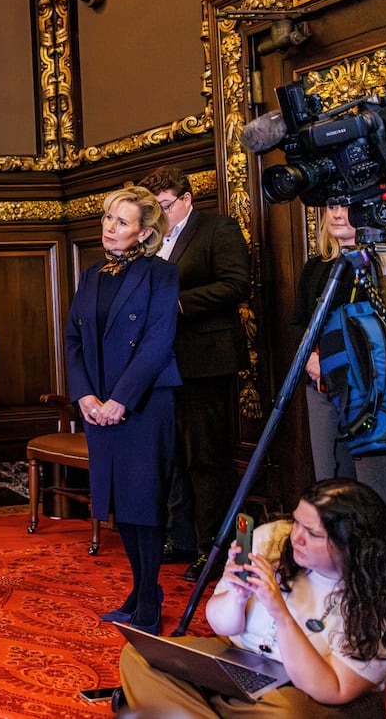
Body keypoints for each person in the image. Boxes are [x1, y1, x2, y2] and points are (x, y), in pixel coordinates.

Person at [119, 478, 386, 718]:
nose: (296, 537)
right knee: (142, 656)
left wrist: (281, 614)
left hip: (304, 694)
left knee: (287, 713)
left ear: (353, 545)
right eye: (297, 521)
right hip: (238, 664)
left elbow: (334, 691)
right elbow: (222, 626)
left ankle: (183, 712)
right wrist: (237, 596)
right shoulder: (272, 539)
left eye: (313, 533)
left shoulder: (379, 600)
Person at [65, 186, 181, 634]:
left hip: (144, 403)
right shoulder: (93, 274)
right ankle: (142, 591)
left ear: (144, 232)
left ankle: (148, 599)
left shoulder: (161, 275)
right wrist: (85, 396)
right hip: (99, 406)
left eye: (120, 222)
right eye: (107, 218)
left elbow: (157, 342)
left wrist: (121, 400)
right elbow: (74, 339)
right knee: (122, 505)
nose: (109, 228)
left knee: (145, 502)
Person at [139, 166, 251, 581]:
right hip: (162, 365)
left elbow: (237, 284)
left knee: (207, 458)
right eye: (152, 208)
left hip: (205, 361)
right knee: (173, 458)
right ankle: (180, 536)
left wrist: (178, 304)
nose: (159, 214)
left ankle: (214, 549)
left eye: (164, 206)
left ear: (186, 200)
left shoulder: (216, 229)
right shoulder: (150, 239)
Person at [292, 204, 386, 512]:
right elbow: (300, 321)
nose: (337, 214)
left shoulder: (381, 266)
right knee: (332, 482)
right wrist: (311, 359)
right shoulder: (316, 266)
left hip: (372, 390)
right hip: (321, 384)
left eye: (348, 208)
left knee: (374, 485)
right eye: (332, 207)